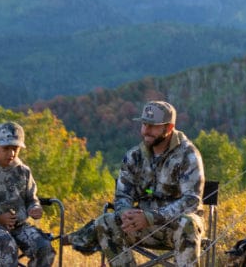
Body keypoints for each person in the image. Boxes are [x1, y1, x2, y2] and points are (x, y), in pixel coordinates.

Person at [66, 100, 207, 266]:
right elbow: (123, 195)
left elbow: (191, 201)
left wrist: (151, 217)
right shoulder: (134, 156)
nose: (146, 130)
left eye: (153, 126)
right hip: (141, 226)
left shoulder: (188, 155)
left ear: (169, 128)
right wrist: (125, 212)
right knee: (106, 221)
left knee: (188, 223)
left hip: (176, 227)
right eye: (144, 124)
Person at [0, 121, 55, 267]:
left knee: (44, 247)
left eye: (15, 148)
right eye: (6, 148)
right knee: (7, 245)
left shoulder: (23, 172)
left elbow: (31, 199)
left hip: (20, 227)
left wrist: (34, 208)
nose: (11, 153)